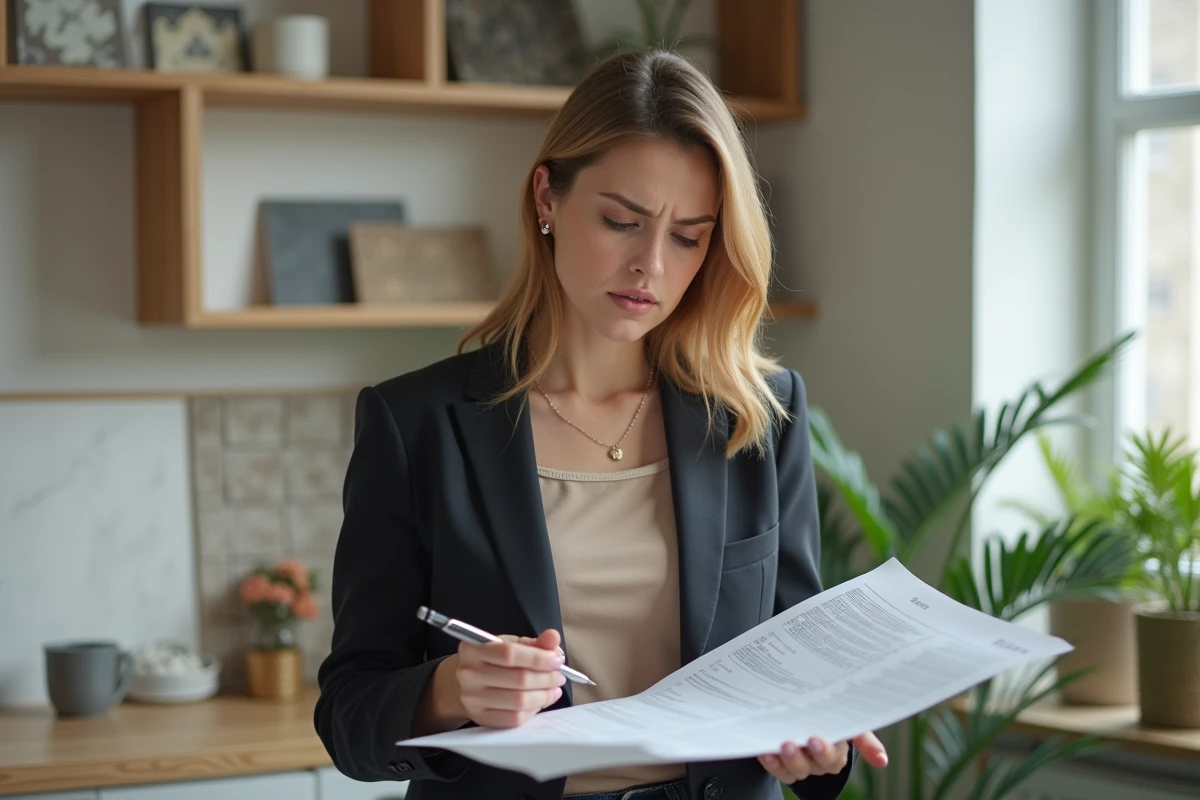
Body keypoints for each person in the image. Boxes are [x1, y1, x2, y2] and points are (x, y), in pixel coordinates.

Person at [314, 49, 889, 800]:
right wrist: (449, 690)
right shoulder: (415, 424)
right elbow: (349, 718)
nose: (651, 264)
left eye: (689, 235)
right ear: (547, 198)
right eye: (622, 221)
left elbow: (798, 678)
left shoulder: (757, 416)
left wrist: (824, 748)